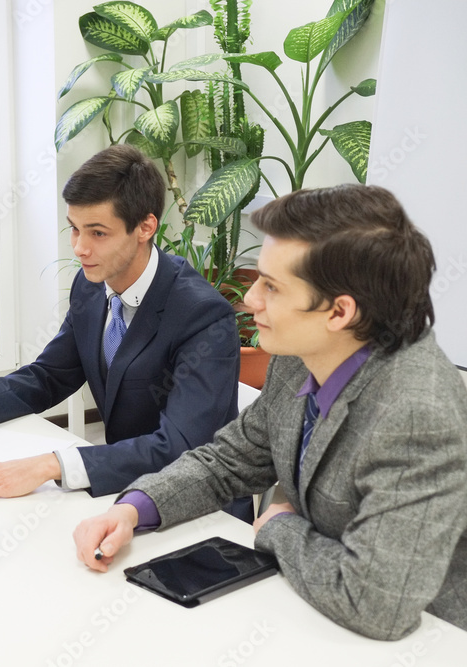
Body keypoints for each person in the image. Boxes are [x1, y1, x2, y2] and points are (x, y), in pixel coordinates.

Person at [74, 184, 467, 640]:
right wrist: (133, 508)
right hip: (310, 608)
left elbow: (375, 603)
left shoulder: (418, 413)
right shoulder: (301, 351)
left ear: (340, 312)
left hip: (425, 640)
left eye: (272, 287)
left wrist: (279, 527)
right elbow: (229, 460)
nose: (250, 300)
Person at [0, 145, 243, 504]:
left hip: (197, 508)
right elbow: (52, 374)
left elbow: (180, 446)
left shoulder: (203, 316)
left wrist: (53, 465)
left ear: (145, 227)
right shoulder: (91, 285)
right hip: (126, 491)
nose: (79, 248)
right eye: (74, 229)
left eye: (97, 233)